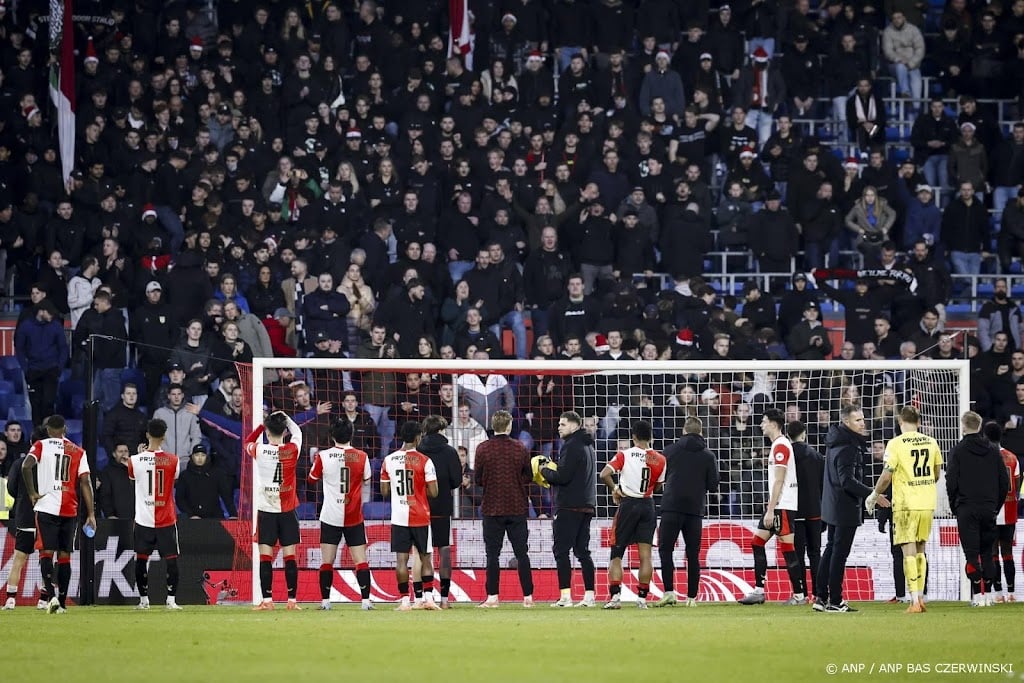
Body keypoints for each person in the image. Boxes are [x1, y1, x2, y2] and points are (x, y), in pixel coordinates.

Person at [865, 406, 942, 613]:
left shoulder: (896, 443)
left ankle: (914, 601)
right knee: (921, 550)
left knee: (907, 551)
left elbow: (887, 475)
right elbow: (936, 474)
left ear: (901, 422)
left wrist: (873, 495)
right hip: (927, 503)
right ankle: (921, 599)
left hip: (906, 504)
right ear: (918, 422)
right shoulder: (932, 442)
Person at [21, 415, 96, 613]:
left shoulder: (40, 445)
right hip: (69, 510)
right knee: (65, 556)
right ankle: (61, 603)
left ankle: (51, 598)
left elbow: (25, 466)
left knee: (46, 552)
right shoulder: (79, 451)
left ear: (47, 430)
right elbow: (85, 483)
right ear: (65, 429)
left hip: (46, 507)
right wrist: (92, 514)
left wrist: (32, 493)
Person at [815, 405, 887, 613]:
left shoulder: (835, 442)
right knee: (839, 554)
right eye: (858, 420)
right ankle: (835, 601)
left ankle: (821, 597)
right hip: (844, 506)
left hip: (832, 504)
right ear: (846, 422)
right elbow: (847, 481)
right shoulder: (848, 447)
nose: (863, 423)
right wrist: (873, 495)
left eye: (863, 419)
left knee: (830, 549)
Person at [738, 408, 807, 605]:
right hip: (779, 505)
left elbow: (779, 480)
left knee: (787, 549)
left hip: (782, 506)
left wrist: (770, 510)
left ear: (774, 424)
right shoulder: (779, 445)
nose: (761, 424)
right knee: (757, 543)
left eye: (764, 421)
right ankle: (759, 591)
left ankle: (799, 596)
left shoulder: (781, 446)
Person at [599, 420, 666, 610]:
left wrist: (616, 489)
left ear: (633, 437)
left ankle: (615, 598)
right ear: (651, 437)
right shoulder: (660, 459)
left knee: (617, 553)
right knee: (646, 556)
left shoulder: (625, 455)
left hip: (628, 504)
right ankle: (642, 599)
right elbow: (659, 485)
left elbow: (604, 474)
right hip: (648, 505)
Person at [307, 419, 373, 611]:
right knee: (360, 560)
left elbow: (311, 479)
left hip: (330, 516)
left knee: (327, 561)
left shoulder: (323, 456)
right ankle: (366, 602)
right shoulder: (362, 456)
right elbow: (367, 480)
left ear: (332, 435)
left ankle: (326, 602)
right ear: (351, 434)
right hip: (354, 516)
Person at [945, 412, 1010, 606]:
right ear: (980, 426)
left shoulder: (957, 451)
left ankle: (977, 596)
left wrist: (954, 504)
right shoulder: (993, 451)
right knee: (988, 552)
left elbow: (951, 481)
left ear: (963, 426)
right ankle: (989, 596)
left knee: (971, 554)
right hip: (988, 508)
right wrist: (995, 506)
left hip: (966, 507)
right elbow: (1003, 482)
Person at [654, 416, 719, 607]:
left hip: (671, 507)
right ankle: (692, 598)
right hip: (694, 510)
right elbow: (714, 485)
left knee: (665, 550)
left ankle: (669, 592)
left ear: (683, 430)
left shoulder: (669, 451)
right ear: (701, 432)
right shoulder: (708, 455)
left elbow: (659, 477)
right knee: (692, 554)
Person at [475, 410, 535, 608]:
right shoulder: (520, 448)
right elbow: (528, 476)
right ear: (509, 426)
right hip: (517, 507)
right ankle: (528, 597)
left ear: (493, 426)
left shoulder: (483, 449)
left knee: (492, 554)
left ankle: (493, 597)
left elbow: (478, 479)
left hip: (492, 508)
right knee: (522, 553)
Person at [538, 410, 597, 608]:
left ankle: (565, 597)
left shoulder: (571, 446)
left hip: (570, 506)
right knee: (583, 551)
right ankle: (589, 596)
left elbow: (563, 477)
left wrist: (544, 470)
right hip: (587, 505)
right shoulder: (588, 445)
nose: (559, 427)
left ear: (574, 426)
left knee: (561, 551)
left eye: (562, 424)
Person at [245, 410, 303, 610]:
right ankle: (292, 601)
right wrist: (285, 417)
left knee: (265, 557)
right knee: (290, 556)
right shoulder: (293, 449)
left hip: (266, 511)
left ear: (268, 433)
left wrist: (262, 424)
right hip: (287, 510)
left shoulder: (259, 450)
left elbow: (247, 442)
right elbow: (298, 433)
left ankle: (267, 601)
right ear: (284, 432)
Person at [381, 420, 439, 611]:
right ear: (418, 437)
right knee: (425, 558)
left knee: (401, 561)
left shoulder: (388, 460)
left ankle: (405, 600)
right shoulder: (425, 461)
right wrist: (419, 493)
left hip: (398, 517)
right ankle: (429, 599)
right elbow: (435, 492)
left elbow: (383, 490)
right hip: (421, 516)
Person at [129, 419, 182, 610]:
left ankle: (144, 601)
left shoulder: (134, 460)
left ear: (147, 434)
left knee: (141, 559)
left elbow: (132, 477)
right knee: (171, 560)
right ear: (164, 436)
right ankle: (171, 601)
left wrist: (140, 454)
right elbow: (174, 478)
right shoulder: (174, 460)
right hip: (166, 518)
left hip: (143, 519)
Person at [414, 415, 463, 608]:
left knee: (419, 552)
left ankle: (421, 597)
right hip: (442, 506)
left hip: (419, 507)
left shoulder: (418, 451)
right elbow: (457, 480)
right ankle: (444, 600)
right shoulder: (450, 452)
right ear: (441, 429)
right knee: (443, 551)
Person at [3, 432, 48, 610]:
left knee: (19, 559)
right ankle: (44, 599)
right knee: (47, 558)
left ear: (30, 442)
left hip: (25, 515)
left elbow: (11, 488)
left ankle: (10, 599)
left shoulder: (19, 463)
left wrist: (24, 498)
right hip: (46, 517)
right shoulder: (50, 465)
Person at [984, 422, 1021, 603]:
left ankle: (998, 593)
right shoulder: (1013, 458)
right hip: (1009, 511)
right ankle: (1012, 593)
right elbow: (1017, 485)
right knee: (1007, 553)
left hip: (991, 511)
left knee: (992, 553)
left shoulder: (984, 458)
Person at [790, 420, 825, 606]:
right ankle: (819, 594)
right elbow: (823, 487)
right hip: (815, 512)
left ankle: (800, 593)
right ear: (803, 433)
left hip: (794, 511)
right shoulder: (818, 457)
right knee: (815, 553)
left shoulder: (786, 456)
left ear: (789, 435)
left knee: (797, 554)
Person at [175, 444, 237, 519]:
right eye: (197, 455)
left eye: (203, 455)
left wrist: (233, 514)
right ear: (192, 457)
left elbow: (226, 496)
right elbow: (180, 499)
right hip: (193, 520)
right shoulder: (184, 476)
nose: (200, 458)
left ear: (206, 457)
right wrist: (190, 514)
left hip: (215, 518)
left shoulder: (217, 474)